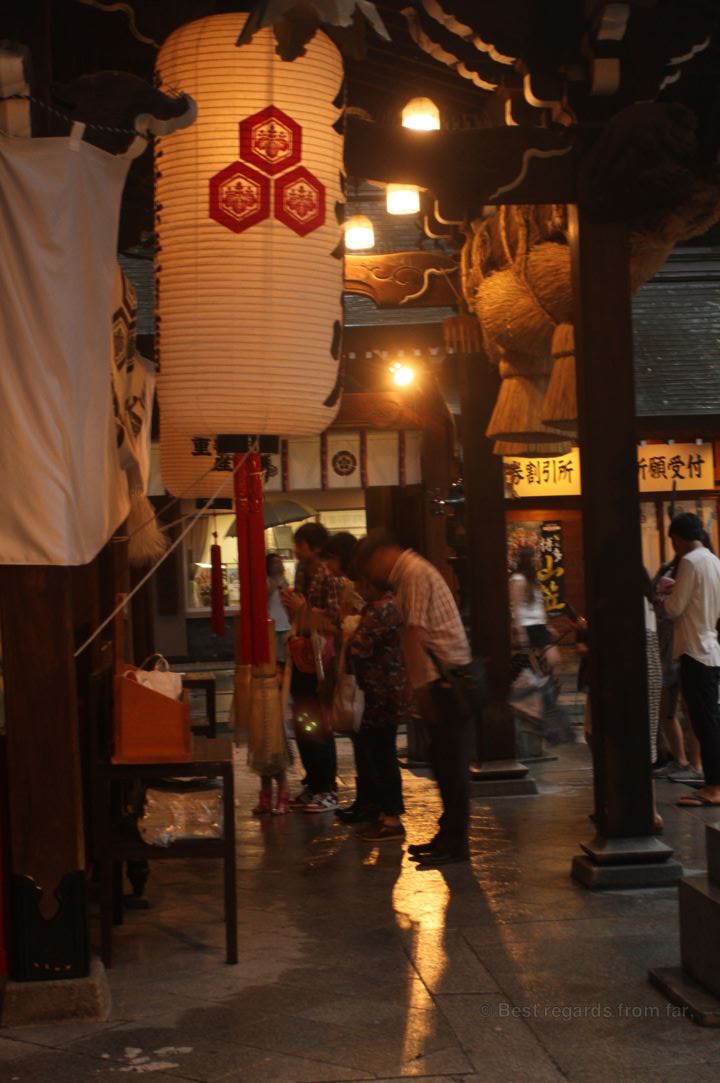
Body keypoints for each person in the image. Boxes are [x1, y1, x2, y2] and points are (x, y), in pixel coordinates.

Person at [353, 530, 474, 866]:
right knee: (443, 762)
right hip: (442, 680)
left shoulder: (413, 574)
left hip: (448, 682)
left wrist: (419, 690)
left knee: (451, 766)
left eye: (371, 565)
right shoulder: (409, 575)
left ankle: (455, 844)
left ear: (384, 554)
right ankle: (447, 835)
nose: (373, 575)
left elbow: (414, 634)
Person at [282, 522, 342, 813]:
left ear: (315, 546)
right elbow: (300, 614)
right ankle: (313, 782)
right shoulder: (301, 571)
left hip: (319, 656)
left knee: (318, 720)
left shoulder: (327, 574)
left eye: (302, 544)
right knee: (303, 718)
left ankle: (327, 786)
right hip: (301, 651)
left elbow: (331, 617)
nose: (297, 549)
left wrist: (302, 609)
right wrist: (293, 609)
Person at [347, 578, 414, 840]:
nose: (360, 590)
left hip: (382, 693)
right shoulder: (386, 607)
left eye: (362, 584)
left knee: (382, 754)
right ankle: (384, 814)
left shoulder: (382, 609)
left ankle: (392, 818)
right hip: (382, 691)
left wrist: (348, 630)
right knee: (378, 753)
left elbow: (359, 646)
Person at [662, 513, 720, 808]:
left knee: (703, 722)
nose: (674, 546)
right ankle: (713, 783)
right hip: (710, 647)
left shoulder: (689, 562)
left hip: (693, 650)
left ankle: (713, 787)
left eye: (673, 540)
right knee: (709, 719)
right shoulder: (713, 560)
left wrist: (664, 592)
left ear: (680, 537)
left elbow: (674, 608)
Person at [509, 546, 550, 649]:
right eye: (536, 557)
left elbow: (539, 603)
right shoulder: (517, 579)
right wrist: (521, 633)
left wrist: (547, 625)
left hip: (539, 624)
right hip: (527, 626)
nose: (538, 559)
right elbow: (516, 607)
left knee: (550, 660)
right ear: (528, 559)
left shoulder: (532, 578)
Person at [266, 552, 291, 664]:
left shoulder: (284, 580)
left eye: (279, 562)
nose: (277, 565)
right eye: (274, 562)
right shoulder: (266, 579)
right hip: (272, 620)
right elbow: (266, 594)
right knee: (274, 653)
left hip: (285, 619)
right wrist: (275, 582)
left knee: (286, 653)